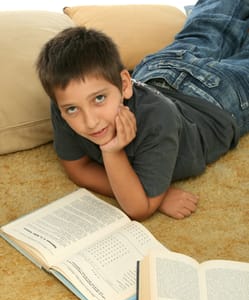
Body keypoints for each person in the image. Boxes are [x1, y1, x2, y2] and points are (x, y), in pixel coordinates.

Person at [36, 0, 249, 221]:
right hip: (159, 70)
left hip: (215, 99)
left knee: (212, 20)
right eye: (72, 109)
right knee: (208, 28)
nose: (90, 121)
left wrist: (112, 152)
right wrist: (151, 192)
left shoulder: (156, 120)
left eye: (99, 98)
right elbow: (77, 169)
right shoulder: (64, 100)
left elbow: (138, 208)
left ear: (125, 84)